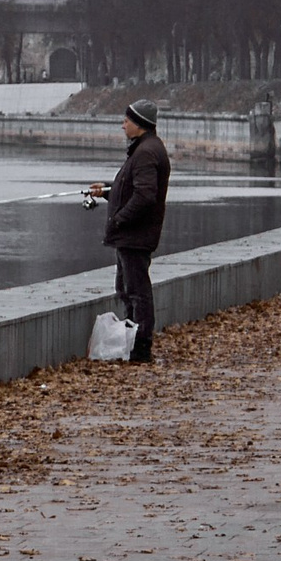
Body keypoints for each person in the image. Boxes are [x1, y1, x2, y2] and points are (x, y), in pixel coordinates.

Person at [87, 99, 171, 364]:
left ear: (140, 124)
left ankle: (140, 348)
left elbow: (145, 196)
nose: (122, 125)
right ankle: (132, 343)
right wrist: (108, 190)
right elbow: (132, 188)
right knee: (127, 289)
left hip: (135, 236)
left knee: (136, 291)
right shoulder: (144, 149)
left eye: (127, 120)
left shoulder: (146, 152)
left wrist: (119, 219)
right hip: (131, 235)